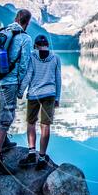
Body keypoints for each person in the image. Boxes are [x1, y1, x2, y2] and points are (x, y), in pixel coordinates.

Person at [0, 9, 33, 174]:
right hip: (10, 82)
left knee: (3, 113)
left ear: (15, 18)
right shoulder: (25, 38)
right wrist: (21, 89)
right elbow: (23, 65)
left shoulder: (4, 32)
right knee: (6, 117)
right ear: (27, 23)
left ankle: (5, 141)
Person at [19, 34, 61, 170]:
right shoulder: (56, 58)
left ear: (35, 45)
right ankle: (42, 157)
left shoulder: (32, 56)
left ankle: (31, 153)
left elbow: (28, 75)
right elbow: (58, 79)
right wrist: (57, 98)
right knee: (45, 125)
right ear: (47, 45)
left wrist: (20, 91)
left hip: (34, 95)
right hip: (50, 94)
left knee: (31, 123)